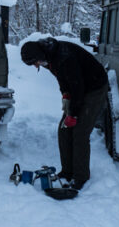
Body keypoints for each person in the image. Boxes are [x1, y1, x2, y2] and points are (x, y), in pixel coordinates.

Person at [20, 37, 109, 191]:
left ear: (38, 55)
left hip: (94, 87)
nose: (36, 66)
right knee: (63, 130)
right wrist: (65, 95)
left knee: (80, 132)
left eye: (35, 62)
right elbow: (62, 77)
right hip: (78, 88)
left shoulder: (64, 56)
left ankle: (80, 177)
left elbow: (78, 87)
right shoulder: (48, 56)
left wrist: (72, 114)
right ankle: (67, 171)